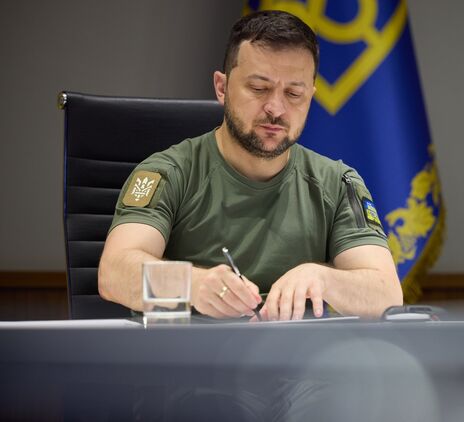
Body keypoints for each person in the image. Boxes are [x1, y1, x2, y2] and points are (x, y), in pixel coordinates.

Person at [98, 10, 403, 321]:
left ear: (310, 96)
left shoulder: (336, 184)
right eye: (258, 88)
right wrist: (192, 284)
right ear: (222, 87)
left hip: (297, 350)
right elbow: (113, 274)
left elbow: (387, 295)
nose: (276, 108)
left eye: (294, 93)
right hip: (192, 348)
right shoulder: (169, 173)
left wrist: (322, 278)